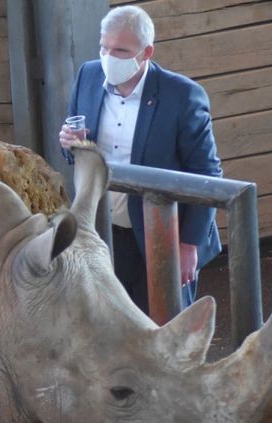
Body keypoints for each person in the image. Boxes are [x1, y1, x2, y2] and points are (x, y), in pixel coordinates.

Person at [59, 6, 222, 313]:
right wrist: (70, 144)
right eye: (104, 47)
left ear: (146, 52)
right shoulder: (88, 75)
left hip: (162, 234)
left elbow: (207, 172)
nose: (108, 57)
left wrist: (189, 244)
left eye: (120, 50)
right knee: (110, 323)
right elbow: (75, 146)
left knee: (165, 327)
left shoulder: (183, 95)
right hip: (103, 228)